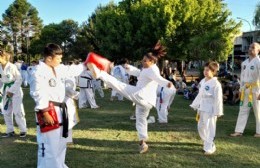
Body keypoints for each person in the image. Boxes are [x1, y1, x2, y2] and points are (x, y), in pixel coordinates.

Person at [86, 41, 174, 154]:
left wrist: (167, 83)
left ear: (152, 61)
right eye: (142, 60)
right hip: (147, 101)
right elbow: (140, 73)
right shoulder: (149, 68)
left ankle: (99, 74)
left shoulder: (152, 70)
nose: (142, 62)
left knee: (119, 85)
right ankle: (143, 142)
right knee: (141, 119)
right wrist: (129, 68)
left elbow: (158, 78)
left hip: (140, 96)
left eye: (144, 60)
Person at [30, 43, 85, 168]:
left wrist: (86, 64)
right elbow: (37, 93)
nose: (61, 61)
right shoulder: (38, 71)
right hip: (48, 111)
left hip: (60, 110)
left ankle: (59, 165)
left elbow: (72, 70)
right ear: (49, 58)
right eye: (58, 58)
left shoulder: (59, 68)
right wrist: (44, 112)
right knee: (49, 146)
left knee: (61, 144)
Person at [190, 61, 223, 155]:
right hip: (202, 107)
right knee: (200, 126)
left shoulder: (216, 84)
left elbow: (218, 99)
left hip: (211, 108)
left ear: (213, 71)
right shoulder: (203, 81)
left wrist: (218, 111)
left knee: (210, 127)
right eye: (204, 70)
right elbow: (200, 94)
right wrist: (195, 104)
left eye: (207, 70)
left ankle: (210, 146)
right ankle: (207, 141)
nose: (205, 72)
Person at [230, 42, 260, 138]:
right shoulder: (244, 63)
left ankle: (259, 132)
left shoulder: (259, 62)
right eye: (250, 47)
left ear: (258, 50)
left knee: (258, 111)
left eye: (253, 47)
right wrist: (240, 89)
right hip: (245, 89)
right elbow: (242, 77)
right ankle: (239, 131)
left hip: (256, 89)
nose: (250, 49)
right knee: (242, 110)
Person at [0, 48, 27, 138]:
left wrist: (11, 91)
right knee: (6, 111)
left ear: (3, 57)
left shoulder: (12, 66)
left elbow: (19, 79)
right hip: (5, 90)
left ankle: (23, 130)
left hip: (15, 91)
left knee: (17, 111)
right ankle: (10, 130)